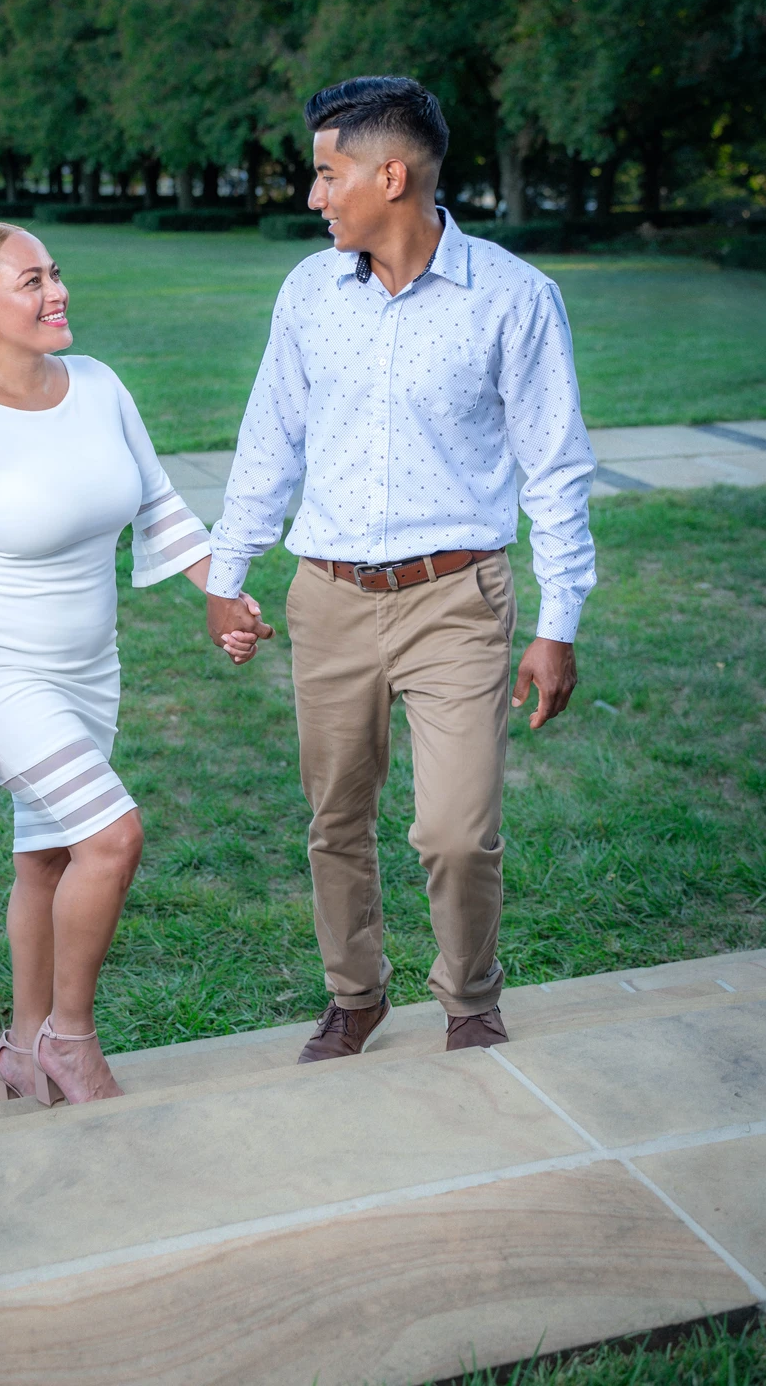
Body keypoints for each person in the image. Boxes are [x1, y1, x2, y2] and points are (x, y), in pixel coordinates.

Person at [206, 76, 596, 1059]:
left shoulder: (512, 296)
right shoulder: (308, 292)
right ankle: (355, 994)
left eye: (326, 174)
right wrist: (225, 573)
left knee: (455, 831)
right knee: (334, 817)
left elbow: (555, 468)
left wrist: (558, 625)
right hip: (327, 597)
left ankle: (468, 997)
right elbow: (268, 439)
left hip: (455, 600)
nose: (312, 196)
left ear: (390, 176)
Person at [0, 222, 259, 1106]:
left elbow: (160, 508)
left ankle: (20, 1049)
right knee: (111, 837)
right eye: (31, 282)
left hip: (89, 667)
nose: (56, 293)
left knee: (47, 859)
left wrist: (222, 594)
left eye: (55, 274)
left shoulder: (96, 384)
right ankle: (69, 1040)